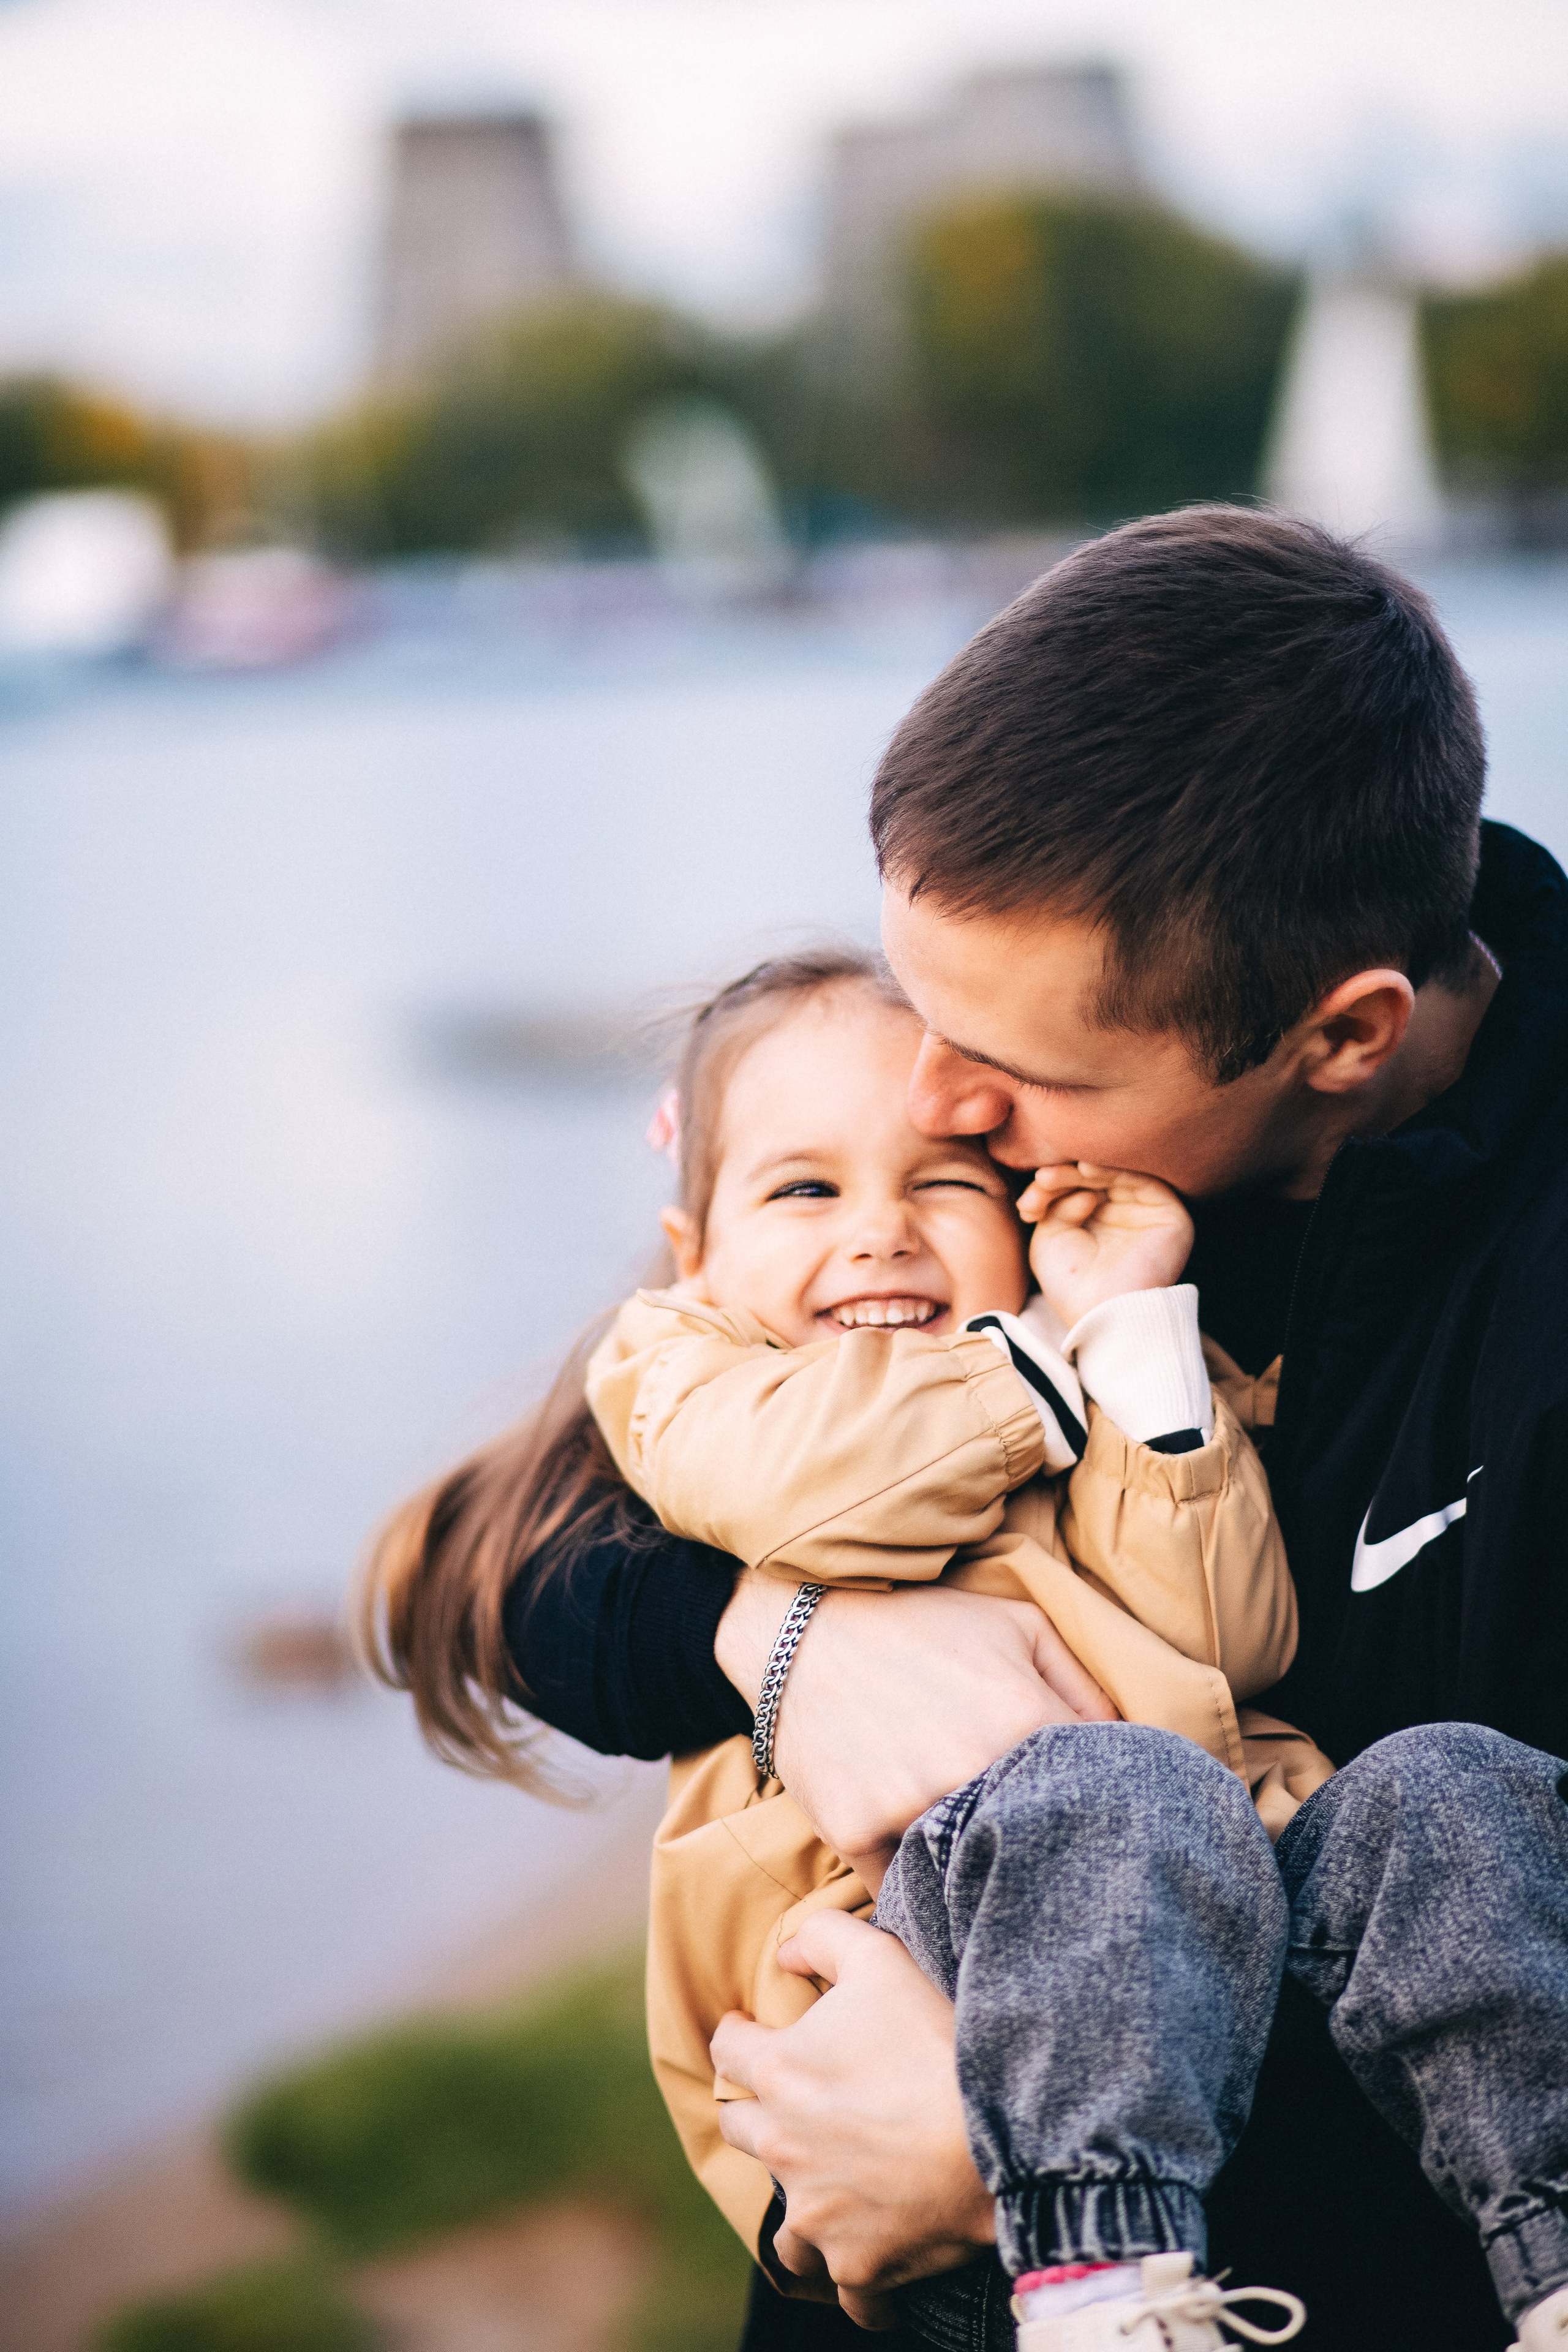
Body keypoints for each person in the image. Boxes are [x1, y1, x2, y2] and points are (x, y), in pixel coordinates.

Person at [371, 509, 1568, 2351]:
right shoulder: (1013, 1166)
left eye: (1007, 1076)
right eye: (919, 1001)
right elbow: (494, 1552)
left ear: (1340, 1039)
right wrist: (779, 1645)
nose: (939, 1107)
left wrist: (986, 2142)